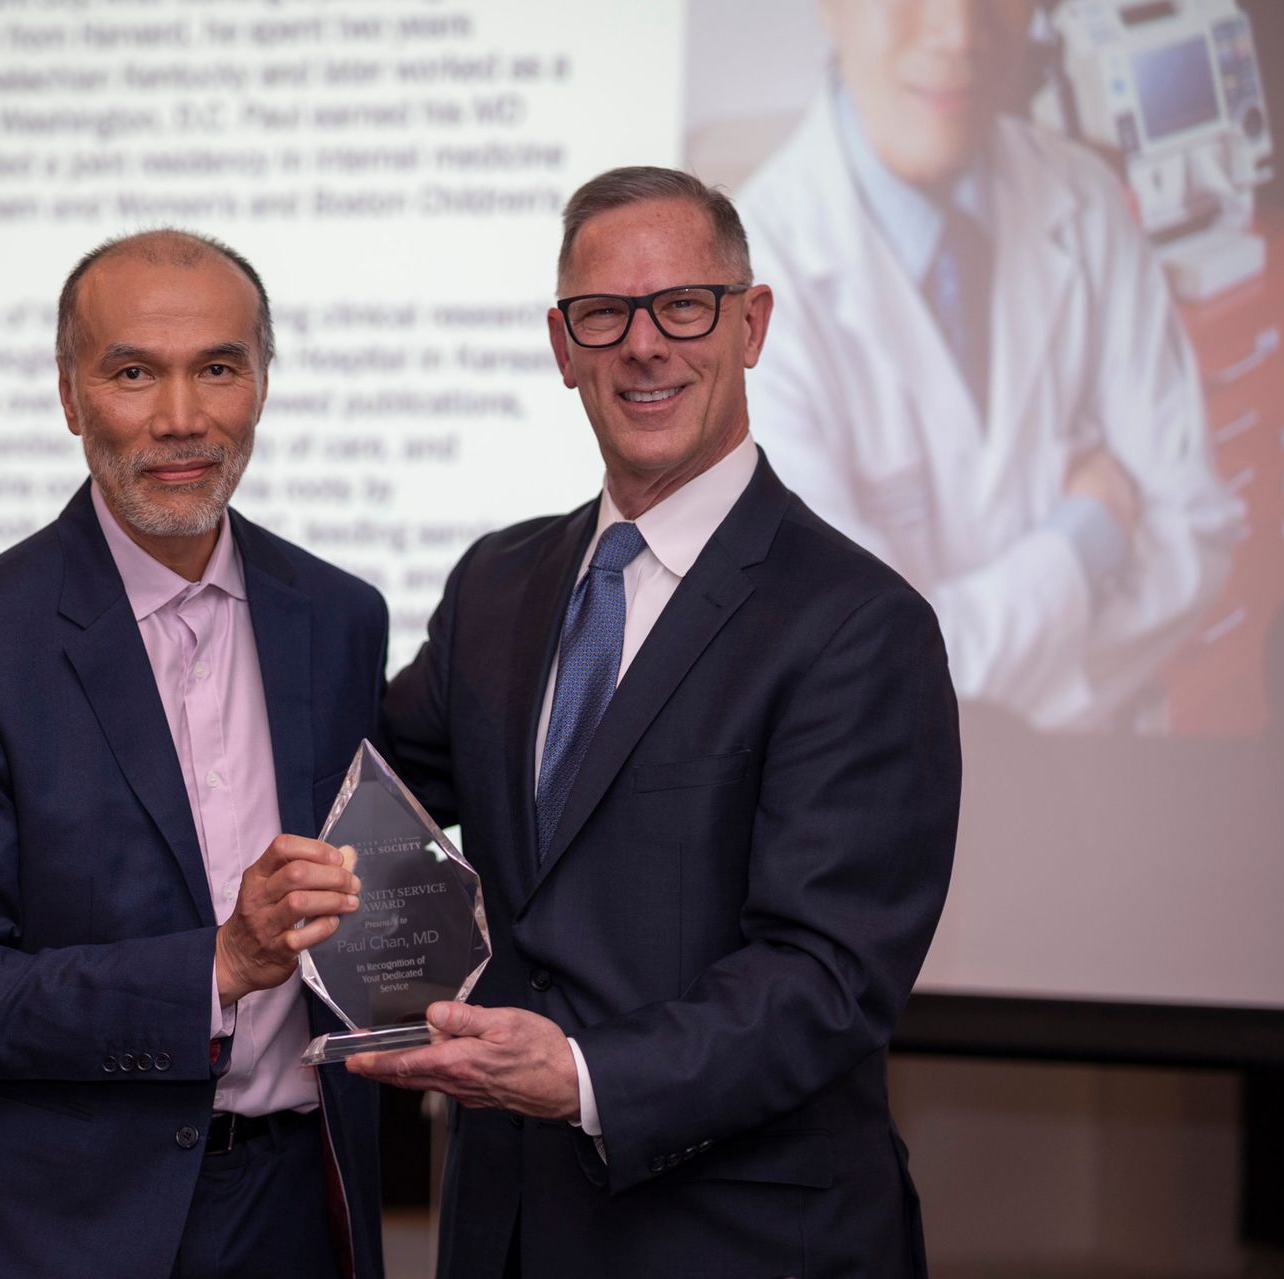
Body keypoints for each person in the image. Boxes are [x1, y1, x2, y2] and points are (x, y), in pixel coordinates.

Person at [353, 168, 960, 1276]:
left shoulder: (859, 624)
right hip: (506, 1228)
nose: (644, 345)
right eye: (605, 314)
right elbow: (359, 791)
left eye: (683, 305)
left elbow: (826, 977)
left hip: (739, 1238)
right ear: (562, 344)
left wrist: (586, 1076)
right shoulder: (496, 584)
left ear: (752, 323)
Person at [0, 230, 387, 1279]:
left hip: (298, 1211)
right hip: (54, 1230)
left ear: (262, 388)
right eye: (134, 372)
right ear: (70, 395)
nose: (182, 417)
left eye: (219, 369)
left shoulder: (339, 617)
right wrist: (220, 965)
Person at [740, 0, 1240, 732]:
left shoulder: (1086, 204)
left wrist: (964, 681)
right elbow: (849, 678)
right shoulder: (738, 296)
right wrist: (1088, 535)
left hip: (1101, 800)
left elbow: (1196, 533)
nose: (958, 30)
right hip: (876, 830)